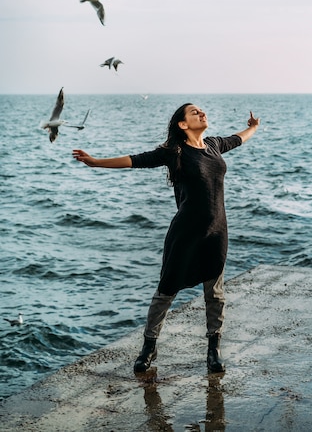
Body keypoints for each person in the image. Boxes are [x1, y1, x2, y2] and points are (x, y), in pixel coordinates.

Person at [72, 103, 260, 374]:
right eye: (194, 112)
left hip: (217, 231)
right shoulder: (175, 152)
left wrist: (253, 127)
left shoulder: (214, 145)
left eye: (201, 110)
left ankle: (213, 349)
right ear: (182, 125)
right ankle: (149, 346)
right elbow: (136, 160)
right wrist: (95, 162)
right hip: (185, 233)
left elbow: (238, 139)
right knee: (166, 291)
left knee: (215, 293)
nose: (201, 113)